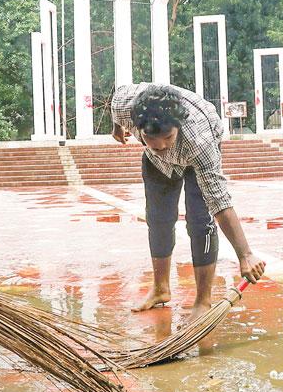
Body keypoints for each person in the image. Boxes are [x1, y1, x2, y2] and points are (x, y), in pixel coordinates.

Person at [111, 84, 266, 321]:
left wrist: (245, 255)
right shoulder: (123, 105)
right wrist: (117, 128)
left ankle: (203, 300)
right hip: (156, 165)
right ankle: (161, 289)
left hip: (196, 158)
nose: (161, 146)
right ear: (138, 126)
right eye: (151, 138)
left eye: (168, 137)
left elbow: (219, 200)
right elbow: (115, 108)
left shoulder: (199, 141)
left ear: (178, 126)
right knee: (158, 219)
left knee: (200, 222)